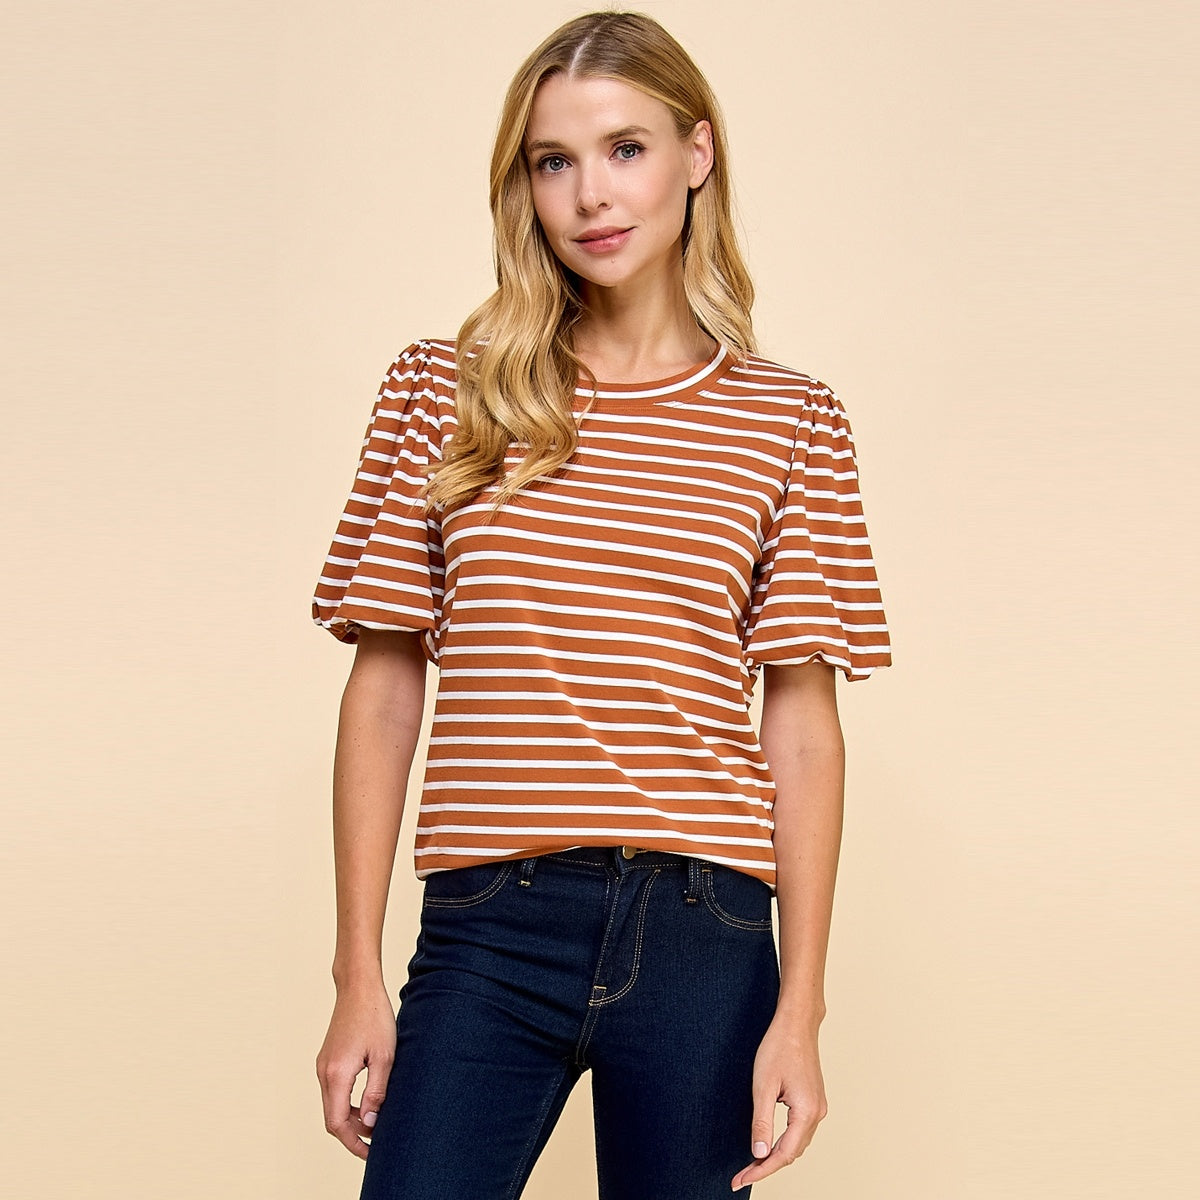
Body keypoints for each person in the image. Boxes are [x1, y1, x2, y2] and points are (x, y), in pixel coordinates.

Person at [311, 9, 892, 1198]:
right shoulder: (442, 390)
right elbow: (384, 689)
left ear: (697, 152)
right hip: (489, 927)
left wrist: (801, 1009)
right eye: (553, 161)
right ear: (523, 184)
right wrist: (355, 974)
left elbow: (801, 726)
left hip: (705, 935)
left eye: (626, 149)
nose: (590, 196)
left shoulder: (792, 421)